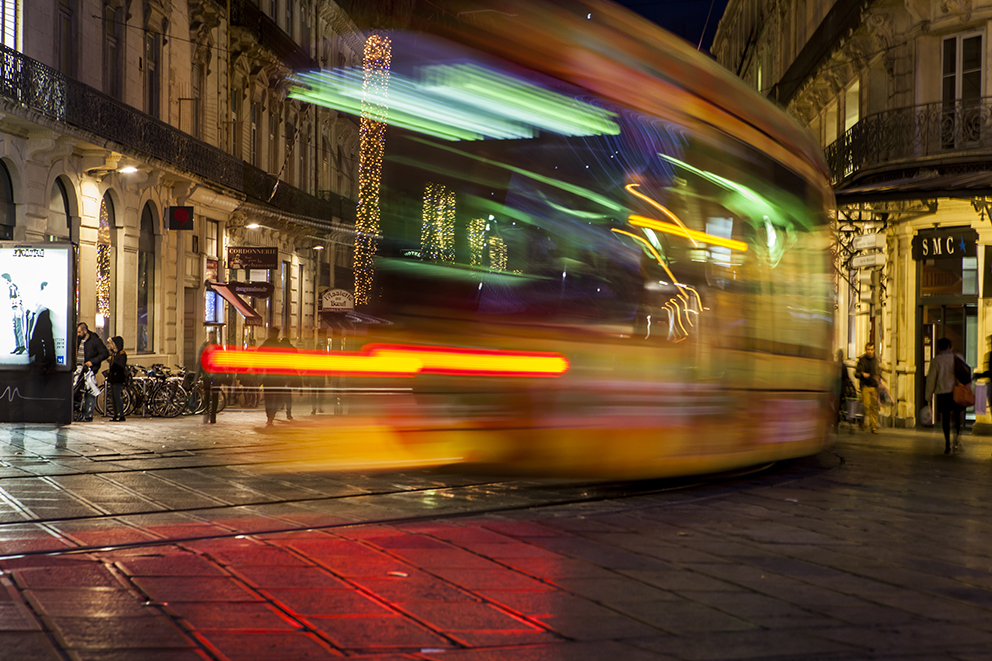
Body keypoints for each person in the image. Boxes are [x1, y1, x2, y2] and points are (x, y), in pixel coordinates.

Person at [925, 337, 964, 454]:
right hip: (956, 391)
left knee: (945, 418)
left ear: (939, 347)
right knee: (957, 416)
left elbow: (931, 379)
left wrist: (928, 397)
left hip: (942, 392)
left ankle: (947, 443)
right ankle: (957, 438)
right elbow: (963, 374)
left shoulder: (936, 361)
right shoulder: (956, 358)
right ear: (949, 346)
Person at [76, 322, 109, 421]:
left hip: (88, 370)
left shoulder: (94, 340)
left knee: (90, 391)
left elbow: (104, 353)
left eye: (79, 332)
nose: (78, 334)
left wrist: (92, 362)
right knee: (77, 390)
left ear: (85, 331)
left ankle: (88, 414)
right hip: (78, 368)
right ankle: (78, 411)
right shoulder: (78, 340)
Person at [261, 326, 292, 426]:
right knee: (276, 397)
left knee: (269, 396)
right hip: (278, 376)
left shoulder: (265, 344)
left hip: (269, 375)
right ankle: (271, 415)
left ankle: (269, 416)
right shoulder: (279, 346)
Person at [196, 330, 220, 424]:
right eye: (210, 337)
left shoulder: (218, 348)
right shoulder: (204, 347)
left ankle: (213, 415)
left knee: (215, 396)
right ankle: (206, 412)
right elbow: (199, 361)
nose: (211, 338)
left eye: (213, 337)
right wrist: (197, 376)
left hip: (216, 376)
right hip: (206, 375)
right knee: (206, 395)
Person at [856, 342, 880, 433]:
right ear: (866, 350)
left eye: (871, 350)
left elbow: (878, 372)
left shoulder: (875, 361)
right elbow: (856, 373)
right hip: (865, 386)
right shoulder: (862, 360)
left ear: (873, 350)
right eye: (868, 350)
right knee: (866, 405)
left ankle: (873, 426)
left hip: (874, 386)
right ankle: (861, 421)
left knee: (874, 407)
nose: (870, 351)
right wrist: (862, 374)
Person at [3, 273, 25, 355]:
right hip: (13, 309)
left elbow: (17, 298)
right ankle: (18, 345)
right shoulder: (9, 287)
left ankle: (22, 346)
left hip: (17, 309)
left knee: (19, 327)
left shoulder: (12, 287)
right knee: (14, 327)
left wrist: (18, 309)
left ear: (6, 279)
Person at [107, 336, 127, 421]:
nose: (111, 346)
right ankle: (115, 414)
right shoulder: (114, 354)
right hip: (113, 378)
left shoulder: (122, 354)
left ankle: (121, 414)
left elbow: (120, 366)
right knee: (113, 397)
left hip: (118, 377)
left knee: (117, 396)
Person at [310, 329, 327, 415]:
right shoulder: (323, 357)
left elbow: (310, 368)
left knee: (314, 394)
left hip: (314, 378)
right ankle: (319, 407)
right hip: (321, 378)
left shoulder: (313, 356)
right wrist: (329, 377)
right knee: (320, 394)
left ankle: (314, 409)